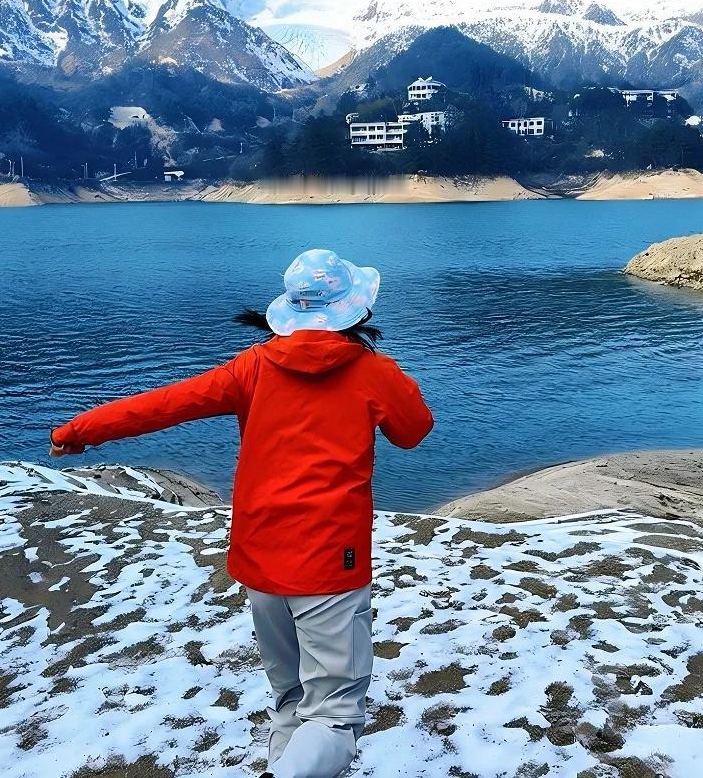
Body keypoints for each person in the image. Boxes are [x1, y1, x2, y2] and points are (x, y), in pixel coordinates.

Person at [49, 248, 434, 778]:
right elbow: (413, 432)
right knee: (335, 717)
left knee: (291, 699)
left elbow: (164, 404)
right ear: (356, 309)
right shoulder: (371, 372)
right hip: (329, 562)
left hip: (260, 558)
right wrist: (387, 381)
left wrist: (76, 432)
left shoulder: (254, 367)